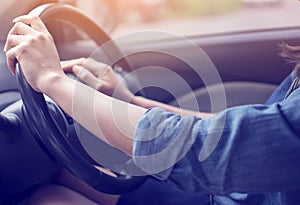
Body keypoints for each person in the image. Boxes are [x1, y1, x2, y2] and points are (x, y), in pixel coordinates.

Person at [4, 15, 300, 205]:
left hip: (234, 189)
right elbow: (249, 132)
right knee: (62, 178)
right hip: (242, 190)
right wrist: (127, 99)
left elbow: (219, 150)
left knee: (46, 197)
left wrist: (52, 80)